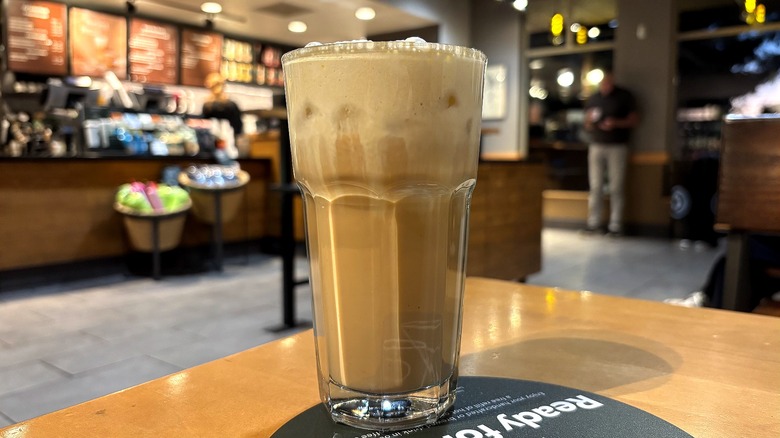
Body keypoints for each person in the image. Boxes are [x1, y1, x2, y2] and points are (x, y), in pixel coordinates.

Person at [582, 71, 639, 236]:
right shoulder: (594, 98)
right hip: (596, 145)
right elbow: (586, 123)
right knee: (595, 186)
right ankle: (594, 223)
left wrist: (616, 123)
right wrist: (591, 122)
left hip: (617, 146)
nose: (605, 84)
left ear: (612, 79)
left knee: (616, 186)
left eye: (608, 80)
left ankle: (615, 225)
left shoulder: (624, 96)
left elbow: (634, 120)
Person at [202, 72, 244, 157]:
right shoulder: (231, 105)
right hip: (230, 146)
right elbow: (238, 127)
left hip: (211, 149)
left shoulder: (207, 107)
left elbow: (204, 129)